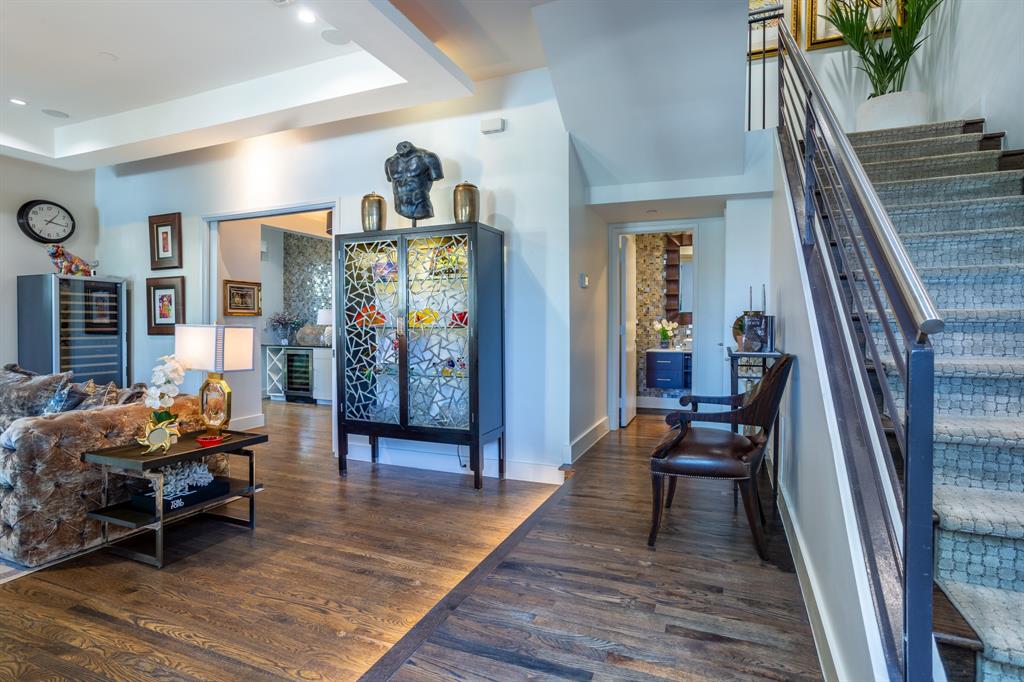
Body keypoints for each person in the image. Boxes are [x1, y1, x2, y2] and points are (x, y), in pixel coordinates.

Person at [384, 141, 444, 221]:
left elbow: (437, 176)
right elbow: (390, 179)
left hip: (420, 206)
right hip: (399, 207)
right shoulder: (390, 162)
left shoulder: (428, 157)